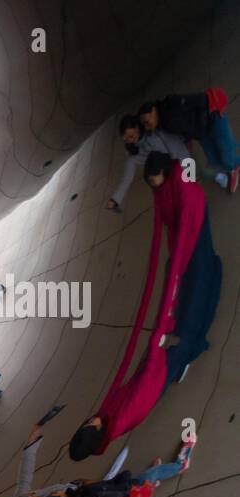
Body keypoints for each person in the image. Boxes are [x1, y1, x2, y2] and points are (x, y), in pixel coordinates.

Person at [70, 153, 212, 460]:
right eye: (88, 426)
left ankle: (182, 358)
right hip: (154, 377)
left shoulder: (107, 422)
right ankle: (197, 347)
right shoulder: (114, 420)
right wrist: (156, 345)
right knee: (181, 348)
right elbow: (144, 387)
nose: (91, 420)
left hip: (151, 378)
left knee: (173, 340)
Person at [11, 423, 196, 497]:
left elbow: (25, 475)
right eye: (32, 496)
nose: (31, 493)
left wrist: (31, 444)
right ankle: (179, 465)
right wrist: (83, 489)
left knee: (136, 482)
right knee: (137, 483)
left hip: (92, 494)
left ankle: (149, 481)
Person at [139, 91, 238, 192]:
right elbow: (183, 131)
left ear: (153, 111)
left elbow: (200, 99)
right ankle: (228, 169)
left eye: (147, 122)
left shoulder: (171, 105)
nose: (147, 127)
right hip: (202, 132)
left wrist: (208, 116)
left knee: (227, 155)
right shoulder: (163, 124)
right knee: (214, 159)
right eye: (144, 125)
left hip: (213, 118)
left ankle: (234, 167)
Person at [107, 115, 191, 211]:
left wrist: (190, 175)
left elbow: (180, 151)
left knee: (187, 198)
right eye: (126, 138)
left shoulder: (154, 137)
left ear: (137, 128)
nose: (130, 140)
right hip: (162, 177)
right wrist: (116, 199)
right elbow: (127, 178)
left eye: (131, 136)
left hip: (175, 167)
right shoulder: (132, 151)